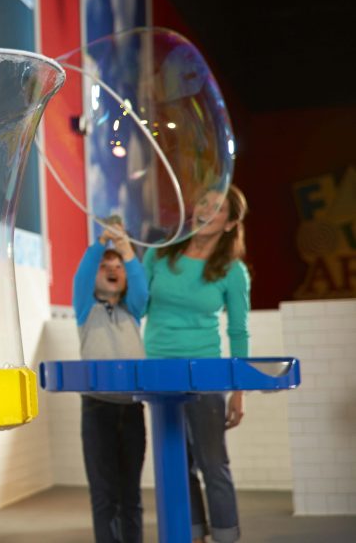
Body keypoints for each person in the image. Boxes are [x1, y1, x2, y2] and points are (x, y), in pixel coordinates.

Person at [142, 184, 250, 543]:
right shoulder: (159, 255)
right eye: (203, 202)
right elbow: (138, 305)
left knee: (213, 463)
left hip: (205, 373)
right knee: (177, 464)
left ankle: (226, 536)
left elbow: (238, 332)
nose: (205, 210)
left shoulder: (233, 271)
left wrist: (239, 392)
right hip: (160, 372)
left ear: (230, 223)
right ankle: (190, 534)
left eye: (217, 207)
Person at [72, 220, 148, 543]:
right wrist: (102, 242)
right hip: (97, 408)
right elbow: (82, 276)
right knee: (104, 495)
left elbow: (141, 289)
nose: (112, 270)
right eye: (105, 266)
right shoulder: (86, 310)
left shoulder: (133, 311)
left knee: (131, 494)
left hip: (132, 409)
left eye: (119, 267)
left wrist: (127, 249)